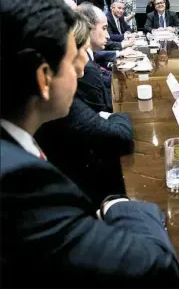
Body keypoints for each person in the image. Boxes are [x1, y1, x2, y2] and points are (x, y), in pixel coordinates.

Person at [0, 0, 179, 287]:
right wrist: (119, 205)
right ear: (43, 78)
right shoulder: (20, 184)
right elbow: (158, 267)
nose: (84, 68)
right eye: (74, 59)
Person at [35, 11, 134, 207]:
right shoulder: (61, 101)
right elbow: (120, 135)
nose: (85, 64)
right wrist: (118, 115)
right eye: (74, 58)